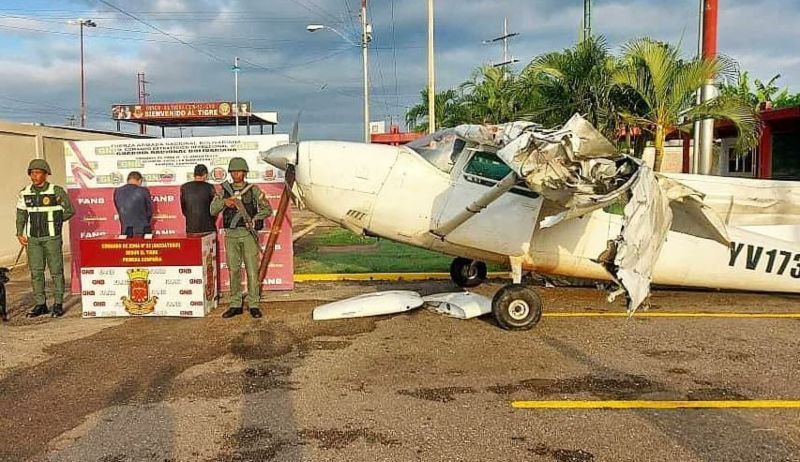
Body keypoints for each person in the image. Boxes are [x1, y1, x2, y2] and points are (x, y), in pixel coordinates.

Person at [210, 157, 272, 319]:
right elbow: (212, 210)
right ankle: (235, 304)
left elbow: (267, 209)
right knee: (234, 270)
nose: (236, 174)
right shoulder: (224, 190)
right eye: (233, 171)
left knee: (252, 271)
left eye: (239, 171)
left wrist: (255, 218)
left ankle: (254, 304)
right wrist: (225, 202)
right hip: (231, 235)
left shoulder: (253, 190)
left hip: (248, 235)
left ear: (244, 173)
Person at [16, 159, 74, 317]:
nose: (34, 176)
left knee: (56, 271)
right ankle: (40, 304)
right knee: (36, 272)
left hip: (51, 238)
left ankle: (58, 304)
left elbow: (69, 210)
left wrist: (56, 221)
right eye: (31, 173)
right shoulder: (25, 192)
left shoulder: (56, 191)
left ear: (46, 174)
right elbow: (21, 213)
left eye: (37, 173)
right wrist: (19, 233)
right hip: (33, 239)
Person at [113, 171, 153, 237]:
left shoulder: (117, 191)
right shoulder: (143, 191)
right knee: (146, 247)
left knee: (126, 247)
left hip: (125, 230)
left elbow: (118, 209)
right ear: (140, 181)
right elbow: (149, 212)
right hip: (143, 230)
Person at [180, 164, 217, 234]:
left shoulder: (184, 187)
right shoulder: (210, 187)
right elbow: (215, 210)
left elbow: (183, 209)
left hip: (191, 228)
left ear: (194, 175)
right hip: (208, 228)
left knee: (192, 245)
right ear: (205, 175)